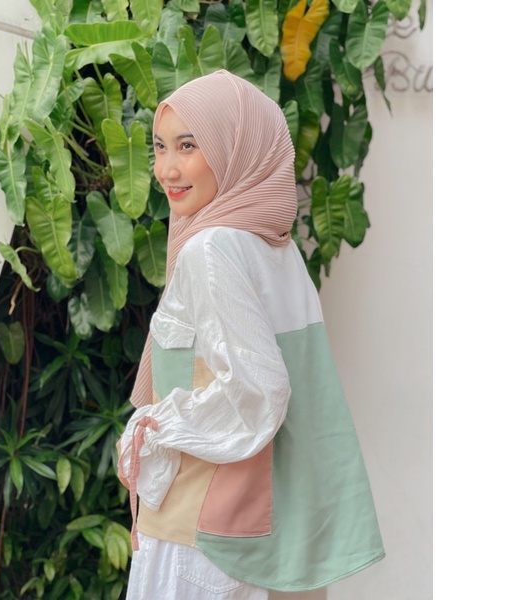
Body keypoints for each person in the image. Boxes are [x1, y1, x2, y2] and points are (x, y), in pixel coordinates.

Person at [117, 70, 384, 599]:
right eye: (160, 147)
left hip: (198, 534)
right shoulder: (274, 249)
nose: (167, 168)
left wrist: (158, 425)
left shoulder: (210, 249)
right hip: (265, 535)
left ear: (235, 148)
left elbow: (260, 391)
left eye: (188, 146)